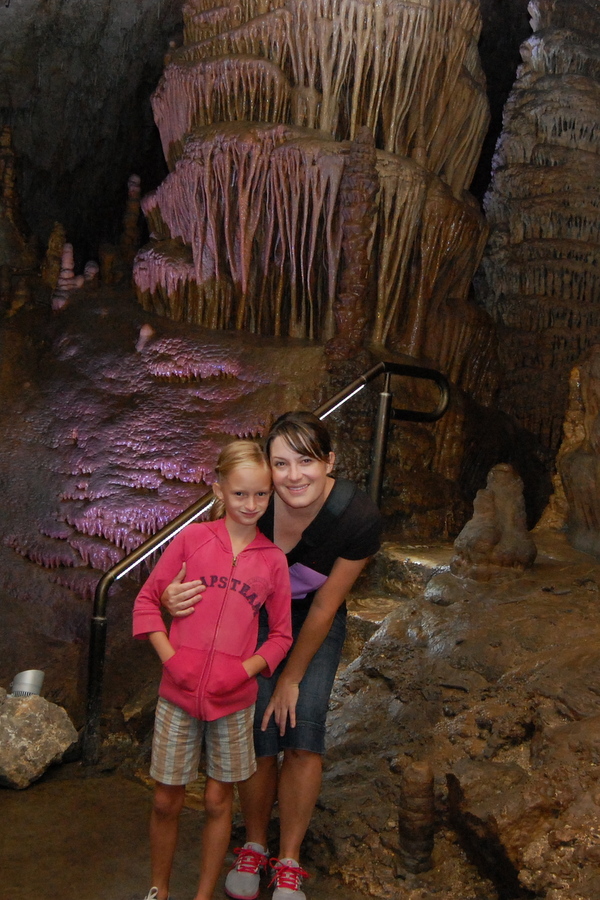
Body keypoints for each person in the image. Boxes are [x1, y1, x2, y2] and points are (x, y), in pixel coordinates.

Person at [162, 411, 382, 900]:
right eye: (281, 463)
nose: (293, 475)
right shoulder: (254, 501)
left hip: (311, 620)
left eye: (306, 461)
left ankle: (289, 859)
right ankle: (256, 844)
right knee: (259, 726)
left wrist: (291, 677)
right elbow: (204, 563)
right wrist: (171, 597)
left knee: (303, 729)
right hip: (250, 613)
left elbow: (325, 606)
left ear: (330, 461)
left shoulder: (356, 518)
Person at [133, 440, 292, 900]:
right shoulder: (191, 540)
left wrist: (244, 671)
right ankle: (158, 889)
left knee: (219, 800)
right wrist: (172, 658)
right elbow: (146, 601)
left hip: (233, 702)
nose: (251, 505)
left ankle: (203, 895)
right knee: (166, 798)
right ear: (218, 488)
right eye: (240, 493)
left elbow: (280, 636)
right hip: (177, 696)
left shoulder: (273, 561)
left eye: (261, 495)